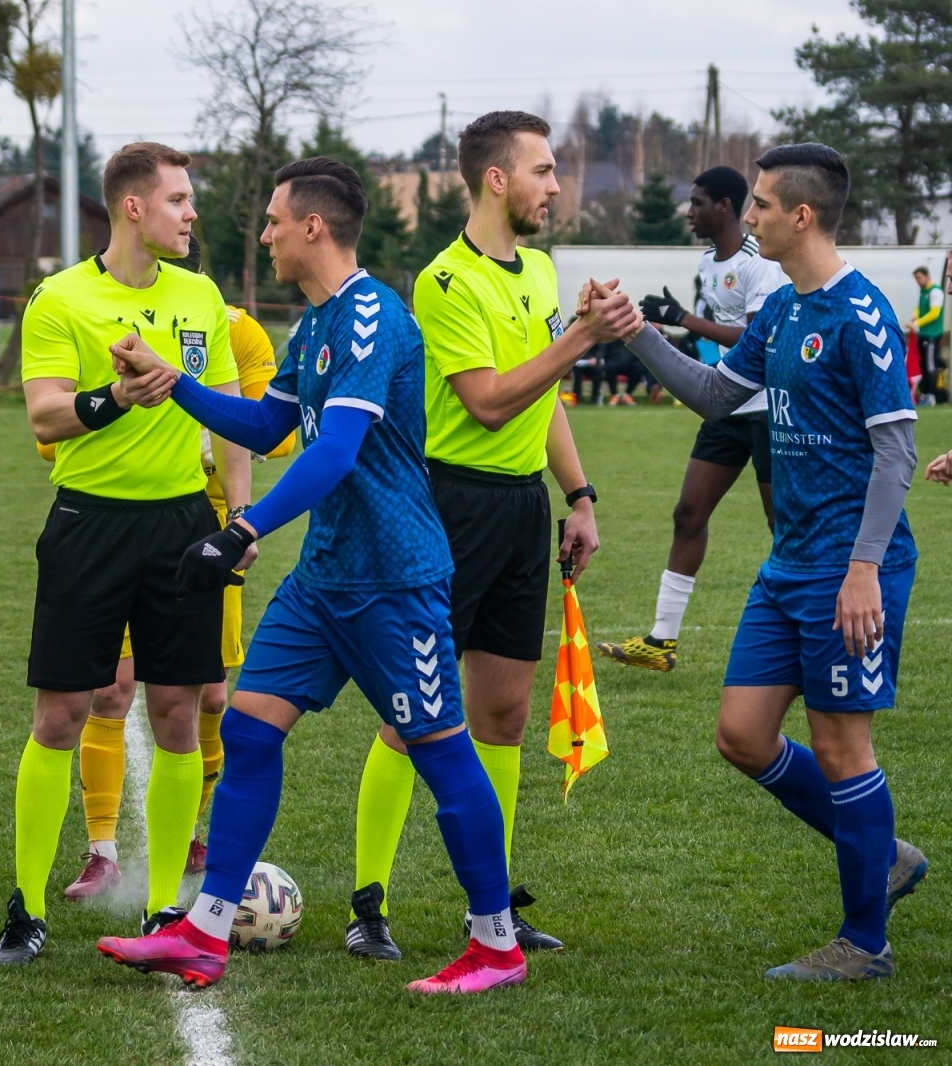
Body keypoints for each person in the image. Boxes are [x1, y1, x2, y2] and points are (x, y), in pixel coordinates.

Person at [97, 156, 635, 994]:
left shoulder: (372, 319)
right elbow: (273, 421)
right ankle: (204, 933)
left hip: (395, 580)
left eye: (274, 219)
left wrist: (242, 527)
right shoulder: (313, 326)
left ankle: (496, 945)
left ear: (313, 227)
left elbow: (339, 454)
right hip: (326, 579)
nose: (265, 232)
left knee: (441, 752)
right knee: (248, 728)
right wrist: (178, 390)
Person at [616, 143, 927, 981]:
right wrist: (637, 333)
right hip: (790, 564)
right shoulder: (784, 308)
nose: (745, 216)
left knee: (840, 746)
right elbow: (720, 395)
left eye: (757, 205)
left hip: (850, 571)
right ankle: (885, 853)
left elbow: (897, 453)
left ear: (801, 215)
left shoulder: (861, 314)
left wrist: (863, 569)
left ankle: (865, 944)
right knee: (743, 736)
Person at [345, 111, 633, 962]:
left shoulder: (542, 271)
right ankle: (371, 904)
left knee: (503, 711)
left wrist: (577, 495)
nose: (556, 185)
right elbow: (488, 399)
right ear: (497, 180)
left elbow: (541, 405)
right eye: (543, 170)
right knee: (413, 712)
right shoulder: (443, 281)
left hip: (516, 512)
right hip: (446, 505)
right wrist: (581, 338)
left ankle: (491, 906)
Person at [0, 142, 247, 965]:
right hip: (88, 524)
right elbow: (45, 416)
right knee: (62, 714)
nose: (190, 213)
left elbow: (232, 416)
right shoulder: (59, 299)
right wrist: (114, 398)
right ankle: (25, 907)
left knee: (178, 712)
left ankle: (166, 906)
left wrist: (237, 517)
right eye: (178, 199)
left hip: (181, 529)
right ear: (132, 207)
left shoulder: (202, 295)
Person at [56, 245, 294, 901]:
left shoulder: (235, 327)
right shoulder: (98, 316)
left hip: (208, 521)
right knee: (111, 691)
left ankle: (191, 831)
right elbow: (53, 431)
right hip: (118, 518)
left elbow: (274, 434)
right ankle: (101, 847)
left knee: (210, 698)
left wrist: (238, 505)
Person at [595, 166, 785, 672]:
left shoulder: (758, 263)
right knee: (688, 514)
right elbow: (710, 336)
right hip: (725, 405)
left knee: (781, 525)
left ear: (724, 206)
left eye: (697, 202)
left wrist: (680, 318)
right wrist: (667, 329)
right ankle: (661, 640)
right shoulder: (707, 263)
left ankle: (810, 628)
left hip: (766, 409)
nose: (688, 212)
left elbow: (754, 338)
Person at [909, 266, 944, 404]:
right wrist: (915, 316)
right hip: (923, 334)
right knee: (922, 364)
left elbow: (934, 313)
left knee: (930, 365)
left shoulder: (935, 291)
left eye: (919, 277)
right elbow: (920, 307)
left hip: (932, 334)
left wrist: (918, 323)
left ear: (926, 276)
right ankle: (923, 393)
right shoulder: (924, 291)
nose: (917, 281)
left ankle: (931, 394)